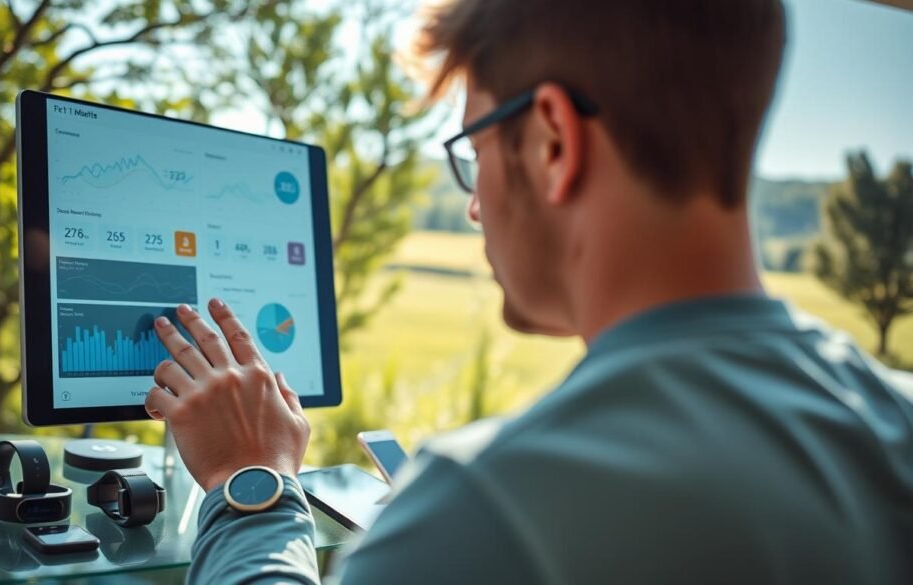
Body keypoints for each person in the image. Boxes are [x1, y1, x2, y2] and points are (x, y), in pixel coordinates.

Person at [143, 0, 913, 583]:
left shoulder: (484, 511)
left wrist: (255, 485)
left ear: (551, 142)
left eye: (473, 148)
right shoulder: (895, 423)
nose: (475, 203)